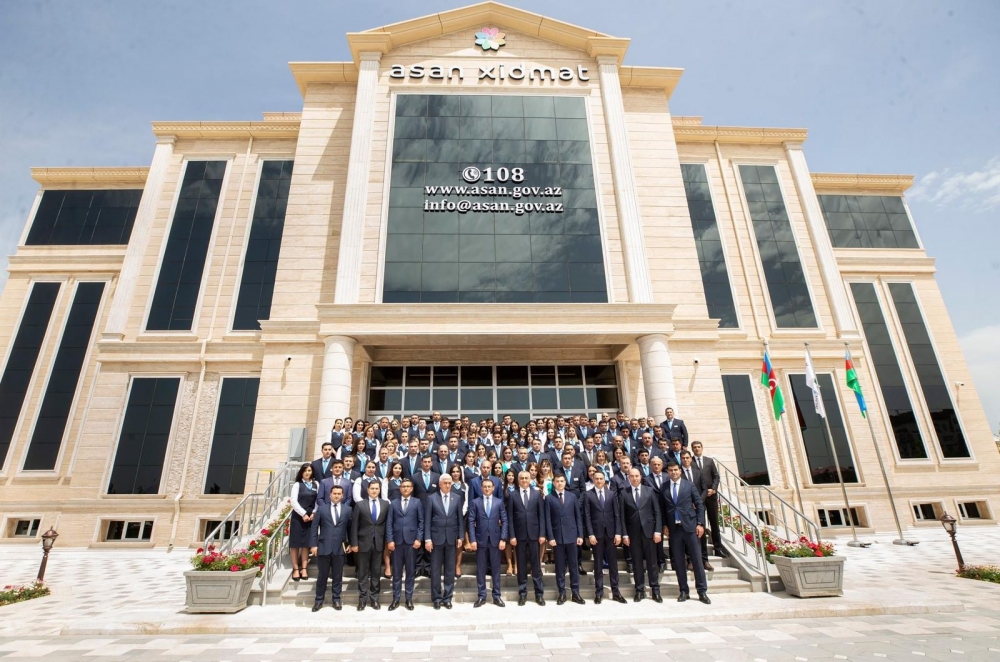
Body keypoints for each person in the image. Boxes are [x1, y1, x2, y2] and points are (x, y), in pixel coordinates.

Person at [663, 461, 710, 604]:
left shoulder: (689, 485)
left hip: (690, 528)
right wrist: (664, 525)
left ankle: (702, 591)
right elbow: (662, 508)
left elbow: (699, 505)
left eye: (676, 470)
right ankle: (683, 590)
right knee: (678, 561)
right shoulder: (664, 487)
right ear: (668, 472)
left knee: (697, 560)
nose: (673, 472)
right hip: (674, 530)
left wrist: (700, 523)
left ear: (680, 471)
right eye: (671, 470)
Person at [583, 469, 627, 604]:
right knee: (598, 564)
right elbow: (587, 516)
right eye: (596, 478)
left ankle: (616, 592)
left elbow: (617, 514)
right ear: (593, 480)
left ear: (604, 480)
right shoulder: (588, 495)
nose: (599, 481)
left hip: (611, 533)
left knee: (613, 564)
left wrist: (618, 533)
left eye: (601, 478)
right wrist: (590, 534)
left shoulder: (611, 494)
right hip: (596, 535)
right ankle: (599, 592)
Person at [621, 467, 663, 603]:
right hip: (633, 535)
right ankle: (639, 590)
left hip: (649, 533)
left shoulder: (649, 491)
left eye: (637, 476)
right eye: (632, 476)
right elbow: (622, 516)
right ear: (629, 478)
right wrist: (625, 535)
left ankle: (655, 590)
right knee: (637, 563)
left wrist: (658, 531)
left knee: (652, 563)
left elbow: (657, 512)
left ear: (641, 477)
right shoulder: (624, 493)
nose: (634, 478)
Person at [425, 474, 465, 610]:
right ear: (440, 484)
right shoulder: (431, 498)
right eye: (445, 483)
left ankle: (447, 598)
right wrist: (427, 539)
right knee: (435, 570)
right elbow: (427, 520)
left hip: (451, 539)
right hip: (436, 539)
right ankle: (436, 598)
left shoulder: (457, 498)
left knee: (449, 570)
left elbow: (460, 519)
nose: (448, 485)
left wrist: (461, 536)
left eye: (449, 483)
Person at [309, 484, 352, 611]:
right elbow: (314, 528)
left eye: (339, 494)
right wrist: (313, 545)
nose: (336, 496)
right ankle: (318, 601)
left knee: (338, 576)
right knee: (322, 576)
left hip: (339, 548)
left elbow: (350, 529)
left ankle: (336, 600)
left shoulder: (347, 510)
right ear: (330, 495)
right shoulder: (322, 509)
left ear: (342, 495)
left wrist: (349, 544)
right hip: (324, 547)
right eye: (334, 493)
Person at [467, 474, 508, 608]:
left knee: (496, 569)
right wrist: (472, 539)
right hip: (480, 540)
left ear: (493, 488)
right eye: (485, 486)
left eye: (489, 486)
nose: (487, 488)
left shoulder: (498, 502)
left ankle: (497, 596)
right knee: (481, 569)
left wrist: (503, 538)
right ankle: (481, 596)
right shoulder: (475, 502)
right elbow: (471, 521)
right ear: (481, 488)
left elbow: (505, 520)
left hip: (496, 540)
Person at [507, 470, 546, 606]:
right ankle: (522, 594)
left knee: (536, 566)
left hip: (535, 535)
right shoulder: (513, 495)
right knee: (521, 566)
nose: (524, 480)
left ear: (530, 480)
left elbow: (541, 515)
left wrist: (542, 534)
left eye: (526, 478)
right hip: (519, 536)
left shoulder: (537, 494)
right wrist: (512, 535)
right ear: (518, 480)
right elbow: (510, 517)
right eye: (522, 478)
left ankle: (539, 594)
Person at [545, 474, 585, 605]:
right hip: (558, 537)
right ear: (553, 483)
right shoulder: (549, 498)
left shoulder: (572, 496)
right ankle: (562, 593)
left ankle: (575, 593)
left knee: (574, 566)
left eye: (562, 481)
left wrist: (580, 535)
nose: (560, 483)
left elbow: (578, 517)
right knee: (560, 567)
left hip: (572, 536)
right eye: (557, 481)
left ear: (565, 482)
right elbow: (548, 519)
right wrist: (550, 537)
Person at [349, 480, 389, 610]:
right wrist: (354, 543)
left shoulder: (385, 504)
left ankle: (374, 599)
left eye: (377, 488)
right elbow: (354, 525)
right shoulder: (360, 505)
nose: (374, 491)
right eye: (372, 488)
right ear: (367, 490)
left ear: (380, 490)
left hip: (378, 543)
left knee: (376, 572)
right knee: (363, 573)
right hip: (363, 543)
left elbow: (387, 524)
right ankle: (362, 600)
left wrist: (388, 541)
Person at [386, 478, 423, 611]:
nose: (406, 488)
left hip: (412, 542)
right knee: (397, 572)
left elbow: (421, 522)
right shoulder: (393, 503)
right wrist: (390, 540)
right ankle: (396, 599)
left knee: (410, 572)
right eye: (403, 486)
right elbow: (389, 523)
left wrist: (419, 539)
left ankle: (408, 599)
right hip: (396, 542)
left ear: (412, 489)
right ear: (400, 488)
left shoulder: (417, 502)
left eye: (408, 486)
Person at [691, 441, 726, 559]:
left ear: (702, 448)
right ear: (692, 449)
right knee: (701, 523)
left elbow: (716, 476)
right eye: (694, 447)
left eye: (698, 447)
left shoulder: (709, 461)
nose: (697, 449)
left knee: (714, 522)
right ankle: (702, 552)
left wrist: (714, 489)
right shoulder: (690, 461)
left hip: (711, 496)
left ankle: (718, 549)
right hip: (698, 497)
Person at [680, 451, 713, 571]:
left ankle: (705, 560)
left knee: (701, 535)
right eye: (683, 458)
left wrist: (698, 501)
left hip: (698, 508)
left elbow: (704, 489)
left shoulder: (698, 472)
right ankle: (690, 561)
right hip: (686, 510)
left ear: (691, 459)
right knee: (688, 535)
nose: (685, 460)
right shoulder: (678, 473)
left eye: (687, 457)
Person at [290, 463, 318, 581]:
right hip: (298, 516)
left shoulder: (316, 484)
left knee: (306, 544)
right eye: (305, 471)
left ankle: (304, 568)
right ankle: (296, 569)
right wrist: (303, 514)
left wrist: (314, 512)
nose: (307, 473)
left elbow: (318, 500)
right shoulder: (297, 484)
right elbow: (293, 501)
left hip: (311, 516)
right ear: (302, 472)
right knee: (295, 544)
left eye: (309, 471)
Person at [448, 464, 469, 579]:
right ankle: (451, 565)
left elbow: (466, 500)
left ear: (460, 473)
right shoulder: (448, 484)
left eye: (457, 471)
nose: (455, 474)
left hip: (461, 516)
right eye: (453, 471)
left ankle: (458, 566)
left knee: (459, 542)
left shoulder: (465, 485)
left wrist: (462, 512)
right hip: (449, 516)